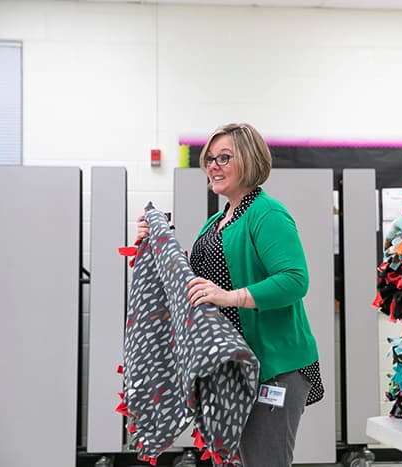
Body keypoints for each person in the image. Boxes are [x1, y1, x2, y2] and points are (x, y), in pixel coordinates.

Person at [136, 123, 324, 466]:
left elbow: (295, 279)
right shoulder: (217, 222)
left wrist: (231, 296)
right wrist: (156, 241)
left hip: (274, 368)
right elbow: (194, 288)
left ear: (250, 161)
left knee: (264, 460)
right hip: (236, 368)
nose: (213, 165)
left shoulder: (266, 213)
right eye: (210, 158)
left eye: (225, 157)